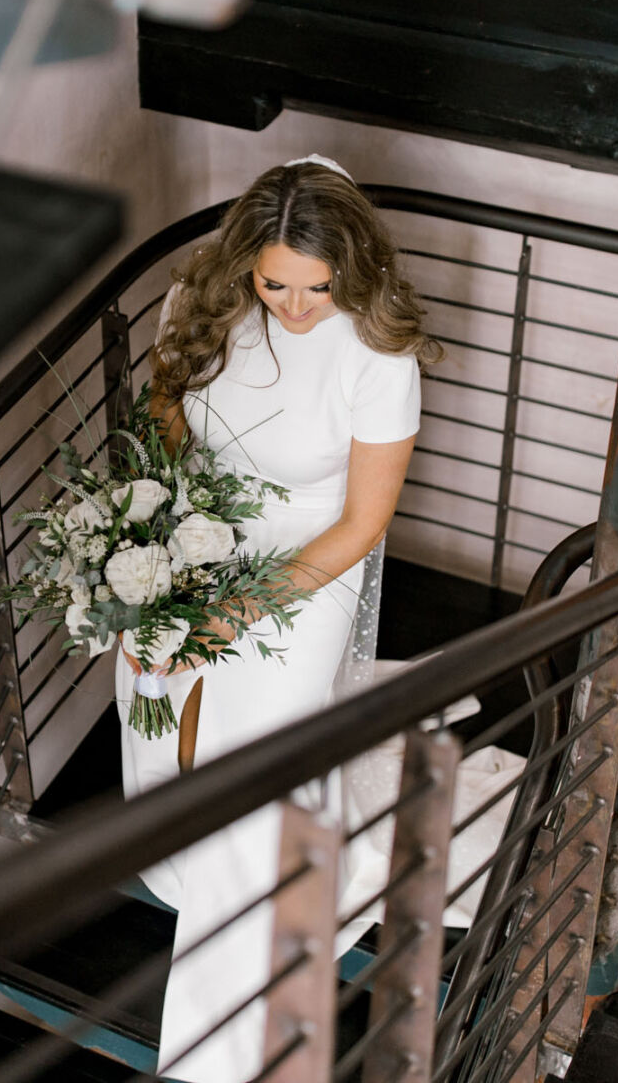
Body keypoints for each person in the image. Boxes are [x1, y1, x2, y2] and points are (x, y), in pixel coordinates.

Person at [115, 155, 442, 1083]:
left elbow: (364, 522)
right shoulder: (199, 304)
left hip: (311, 559)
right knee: (154, 672)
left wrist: (242, 608)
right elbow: (169, 412)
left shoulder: (379, 353)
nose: (295, 308)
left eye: (317, 288)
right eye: (274, 285)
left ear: (353, 270)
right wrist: (175, 530)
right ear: (244, 268)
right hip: (202, 530)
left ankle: (224, 1040)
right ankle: (184, 847)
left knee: (258, 730)